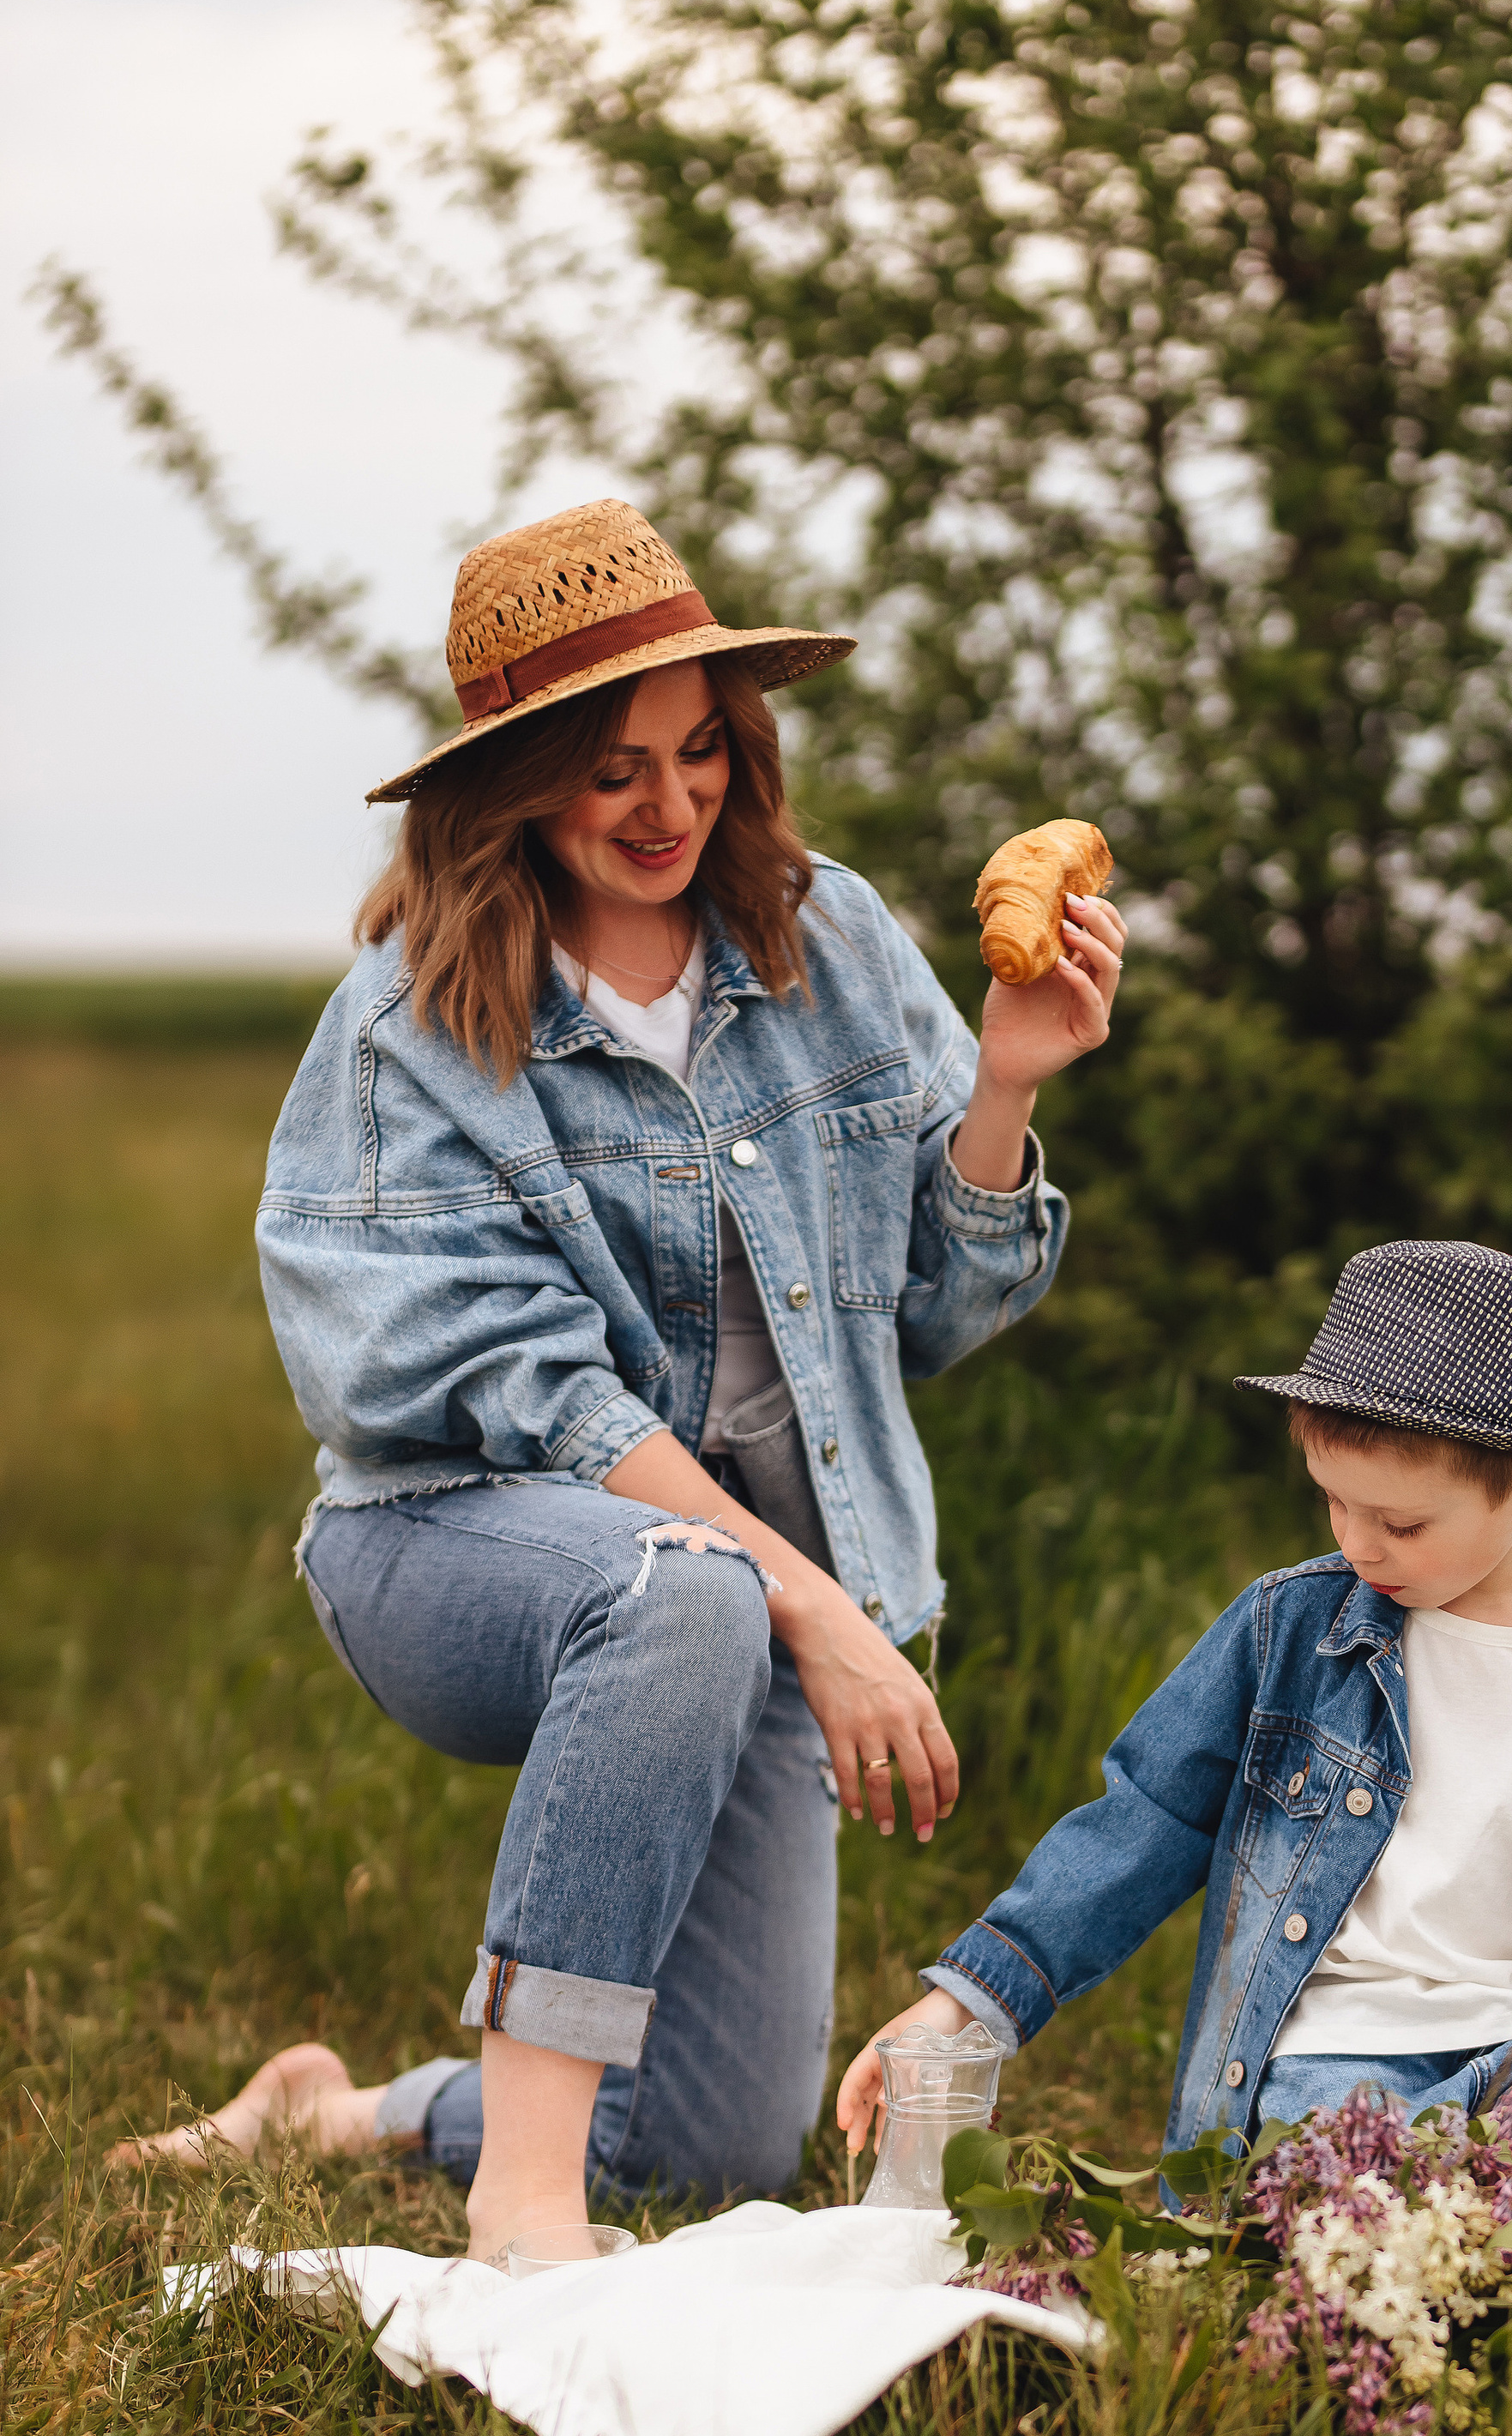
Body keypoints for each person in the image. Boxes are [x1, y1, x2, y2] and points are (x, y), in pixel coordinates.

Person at [117, 497, 1124, 2258]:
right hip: (451, 1541)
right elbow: (526, 1395)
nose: (669, 807)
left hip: (752, 1584)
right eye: (611, 772)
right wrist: (812, 1606)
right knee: (683, 1587)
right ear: (515, 787)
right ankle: (524, 2207)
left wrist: (1007, 1087)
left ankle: (349, 2110)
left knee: (719, 2145)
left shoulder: (828, 940)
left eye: (699, 753)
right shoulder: (410, 1025)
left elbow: (923, 1314)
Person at [840, 1241, 1512, 2265]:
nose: (1356, 1544)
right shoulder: (1286, 1632)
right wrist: (969, 2002)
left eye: (1399, 1523)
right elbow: (1141, 1826)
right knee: (1332, 2211)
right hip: (1338, 2052)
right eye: (1333, 1500)